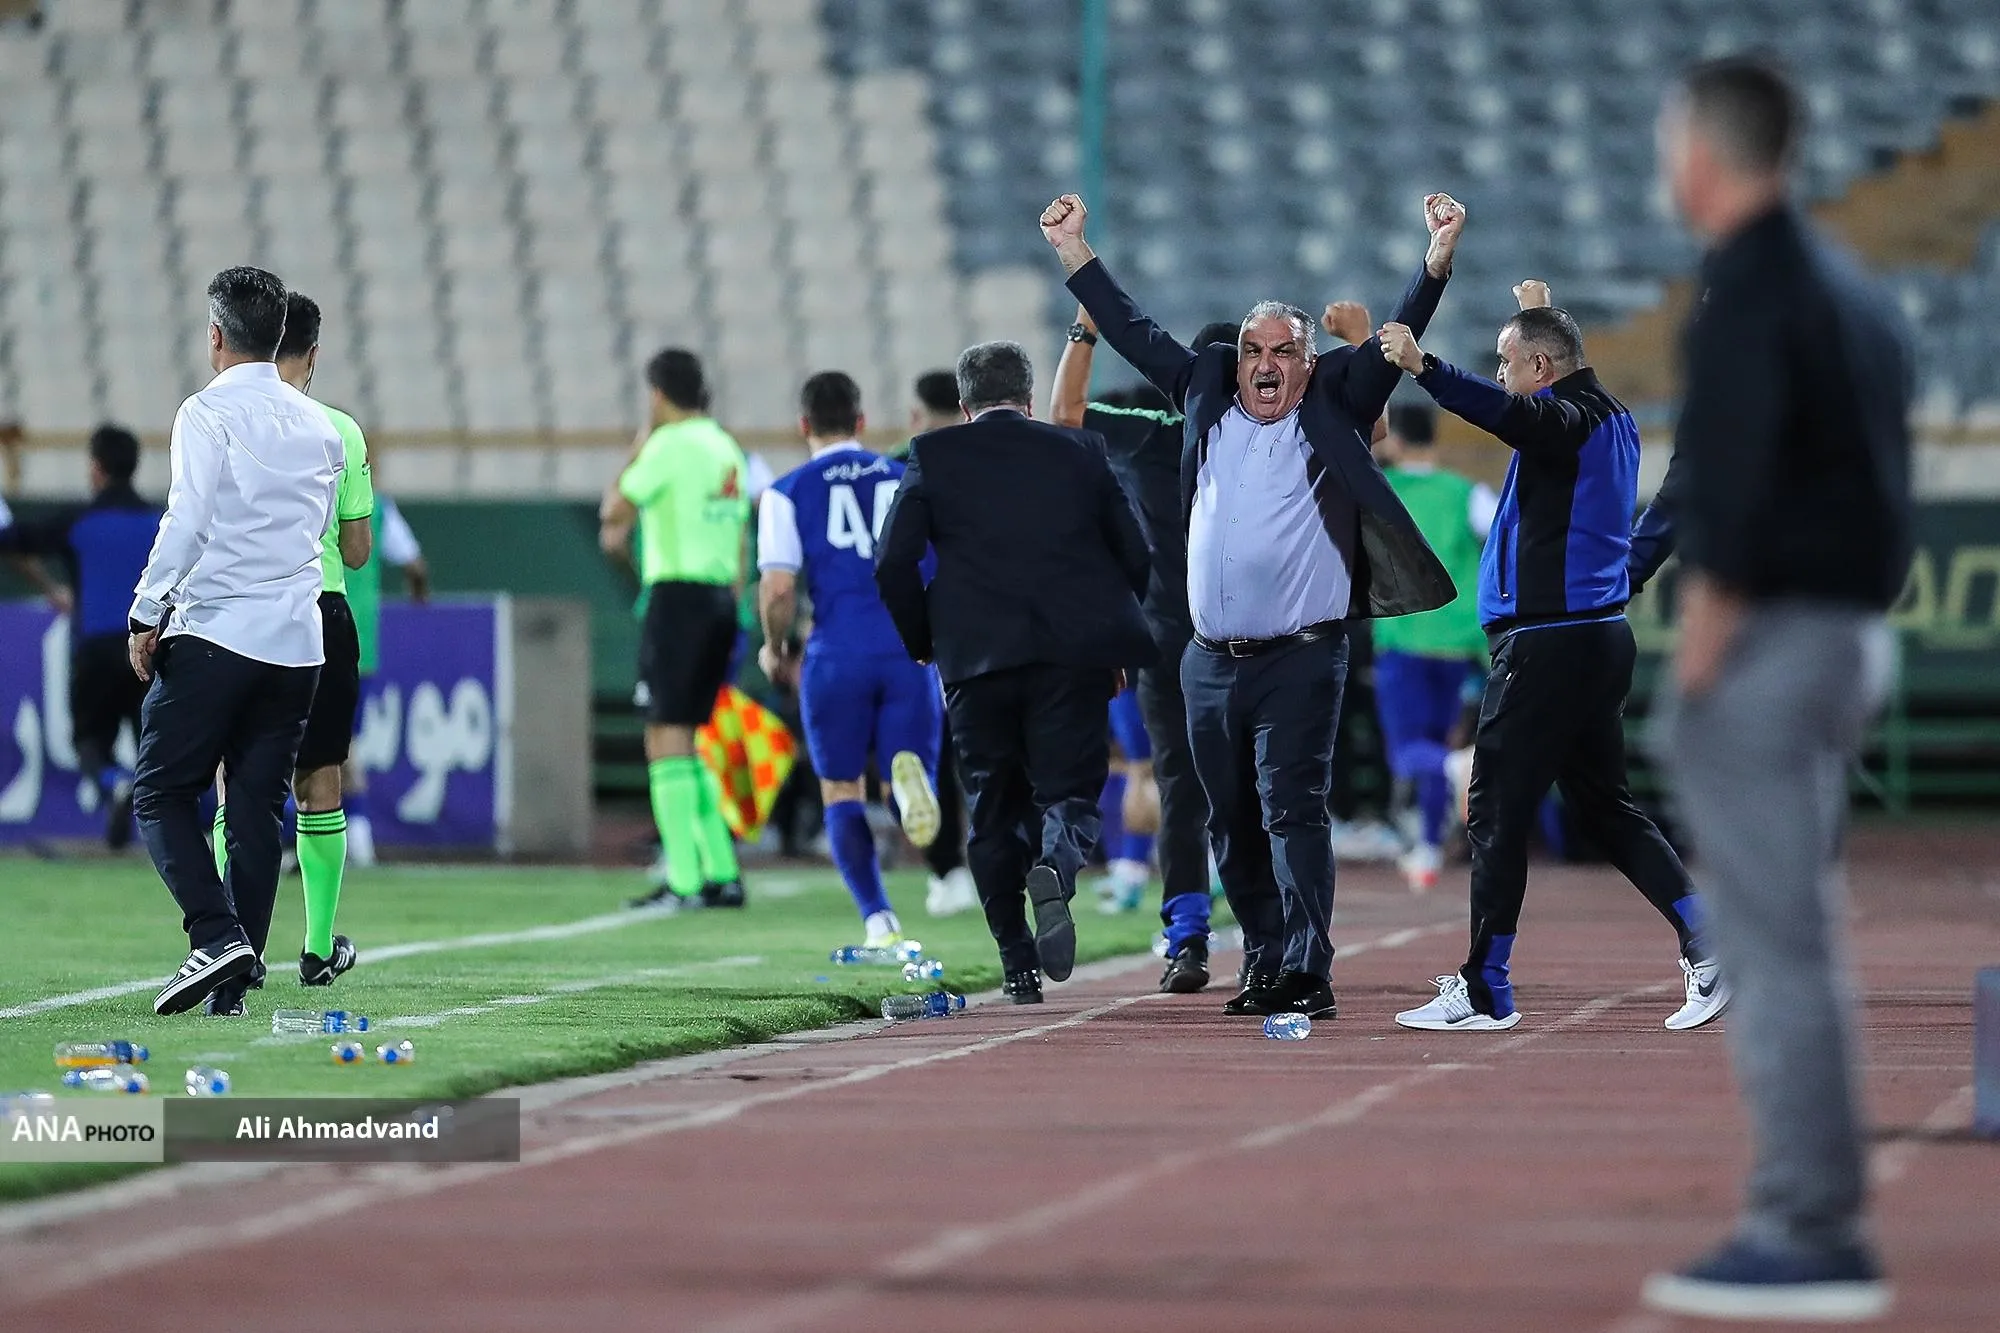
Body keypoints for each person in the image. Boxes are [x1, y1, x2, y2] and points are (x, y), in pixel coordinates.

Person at [1636, 57, 1911, 1323]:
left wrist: (1696, 672)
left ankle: (1807, 1228)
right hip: (1847, 631)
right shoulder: (1848, 286)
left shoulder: (1745, 288)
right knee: (1792, 936)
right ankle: (1813, 1216)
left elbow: (1729, 507)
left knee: (1773, 947)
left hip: (1774, 640)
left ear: (1699, 154)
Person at [1047, 191, 1460, 1020]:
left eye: (1284, 350)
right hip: (1206, 660)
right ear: (1235, 361)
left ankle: (1308, 964)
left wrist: (1436, 260)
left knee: (1291, 810)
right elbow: (1131, 327)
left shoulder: (1333, 400)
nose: (1266, 363)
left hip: (1301, 654)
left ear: (1309, 363)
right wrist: (1073, 253)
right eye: (1253, 350)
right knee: (1230, 821)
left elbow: (1392, 341)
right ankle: (1266, 956)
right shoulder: (1202, 392)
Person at [1375, 278, 1726, 1035]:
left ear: (1539, 368)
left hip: (1546, 643)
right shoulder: (1609, 416)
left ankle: (1485, 986)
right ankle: (1707, 940)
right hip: (1592, 636)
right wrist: (1540, 308)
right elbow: (1553, 395)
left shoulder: (1561, 419)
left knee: (1495, 808)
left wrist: (1424, 366)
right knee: (1605, 807)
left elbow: (1517, 413)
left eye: (1507, 363)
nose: (1500, 375)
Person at [874, 340, 1152, 1003]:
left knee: (992, 810)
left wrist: (925, 640)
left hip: (974, 658)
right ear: (1029, 398)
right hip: (1070, 655)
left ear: (964, 403)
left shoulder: (932, 454)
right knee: (1072, 792)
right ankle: (1056, 862)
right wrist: (1111, 639)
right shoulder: (1080, 450)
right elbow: (1135, 551)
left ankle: (1017, 966)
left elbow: (891, 561)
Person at [130, 267, 346, 1016]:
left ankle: (215, 935)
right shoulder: (322, 427)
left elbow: (187, 520)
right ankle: (235, 978)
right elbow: (320, 530)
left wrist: (147, 609)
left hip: (218, 631)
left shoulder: (206, 411)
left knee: (161, 791)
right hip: (297, 646)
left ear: (216, 336)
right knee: (255, 810)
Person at [1049, 312, 1238, 994]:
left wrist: (1084, 330)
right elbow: (1376, 430)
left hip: (1172, 641)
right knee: (1259, 788)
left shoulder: (1150, 434)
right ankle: (1268, 937)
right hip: (1248, 641)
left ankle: (1189, 937)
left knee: (1182, 786)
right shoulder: (1272, 435)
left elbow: (1065, 412)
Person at [208, 293, 371, 1011]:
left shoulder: (218, 417)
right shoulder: (338, 429)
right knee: (320, 780)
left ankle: (227, 942)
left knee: (236, 782)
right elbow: (357, 551)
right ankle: (317, 947)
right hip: (320, 609)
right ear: (312, 353)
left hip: (243, 611)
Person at [757, 371, 945, 949]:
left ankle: (878, 921)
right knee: (907, 775)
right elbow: (936, 567)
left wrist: (775, 647)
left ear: (803, 425)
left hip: (836, 654)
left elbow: (779, 589)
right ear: (862, 422)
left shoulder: (786, 492)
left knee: (839, 789)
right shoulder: (904, 475)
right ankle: (906, 794)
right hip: (908, 652)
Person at [601, 349, 752, 911]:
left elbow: (613, 513)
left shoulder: (668, 446)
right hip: (720, 602)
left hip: (678, 599)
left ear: (658, 395)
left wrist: (640, 444)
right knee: (688, 739)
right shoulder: (725, 448)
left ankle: (683, 881)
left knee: (664, 737)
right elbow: (740, 541)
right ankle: (721, 871)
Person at [0, 424, 161, 848]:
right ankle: (169, 829)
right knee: (155, 746)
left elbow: (16, 540)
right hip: (148, 651)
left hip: (95, 651)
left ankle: (112, 783)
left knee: (89, 740)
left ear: (96, 468)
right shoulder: (159, 524)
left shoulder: (79, 523)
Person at [889, 368, 979, 917]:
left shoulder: (899, 464)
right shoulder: (992, 459)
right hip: (989, 621)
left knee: (930, 752)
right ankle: (1011, 860)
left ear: (916, 413)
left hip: (920, 626)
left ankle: (947, 871)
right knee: (995, 748)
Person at [342, 490, 431, 866]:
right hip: (360, 642)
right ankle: (356, 835)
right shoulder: (375, 506)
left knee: (327, 743)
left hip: (310, 636)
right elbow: (415, 564)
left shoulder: (302, 489)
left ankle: (351, 835)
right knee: (342, 741)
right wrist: (419, 598)